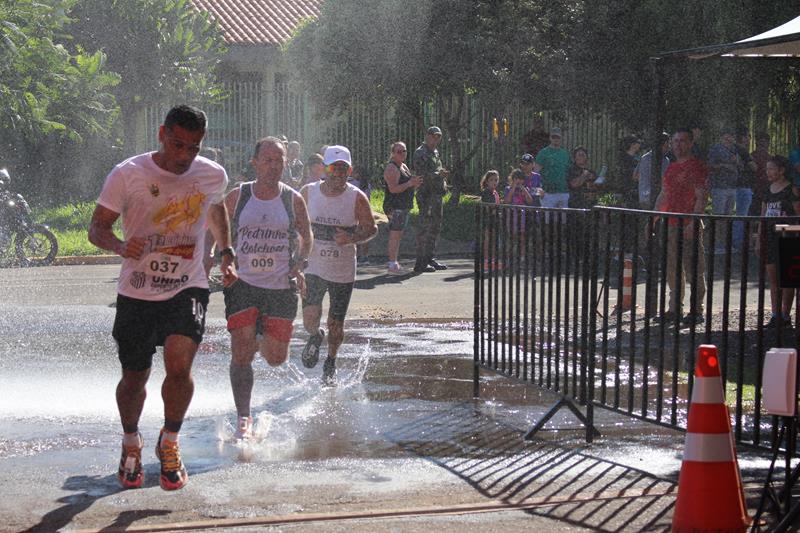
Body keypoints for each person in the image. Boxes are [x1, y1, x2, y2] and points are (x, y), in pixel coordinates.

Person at [88, 104, 237, 491]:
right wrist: (123, 247)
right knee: (135, 376)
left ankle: (170, 441)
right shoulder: (128, 174)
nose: (184, 156)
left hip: (187, 284)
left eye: (194, 147)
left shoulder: (211, 175)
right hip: (136, 290)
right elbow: (97, 230)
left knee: (179, 365)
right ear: (161, 134)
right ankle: (131, 442)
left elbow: (215, 209)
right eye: (177, 145)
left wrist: (226, 252)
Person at [223, 137, 312, 439]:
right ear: (255, 163)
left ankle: (259, 333)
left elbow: (306, 235)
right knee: (242, 353)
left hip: (280, 285)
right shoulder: (239, 197)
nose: (274, 165)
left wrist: (300, 263)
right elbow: (217, 227)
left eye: (280, 160)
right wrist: (217, 258)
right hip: (242, 283)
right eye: (268, 160)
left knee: (276, 359)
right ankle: (243, 418)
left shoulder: (292, 199)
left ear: (286, 163)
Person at [300, 145, 377, 385]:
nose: (338, 174)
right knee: (309, 318)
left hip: (342, 270)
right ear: (325, 169)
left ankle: (331, 360)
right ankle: (315, 336)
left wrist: (352, 238)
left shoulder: (356, 197)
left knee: (336, 323)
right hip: (312, 266)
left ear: (349, 171)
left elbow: (371, 228)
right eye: (334, 168)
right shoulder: (308, 192)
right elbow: (295, 224)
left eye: (343, 169)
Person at [653, 128, 709, 326]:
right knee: (672, 268)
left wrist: (694, 221)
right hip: (671, 223)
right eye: (675, 141)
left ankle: (697, 309)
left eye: (682, 141)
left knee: (694, 268)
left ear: (690, 143)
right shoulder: (671, 167)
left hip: (688, 222)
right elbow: (664, 194)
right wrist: (653, 217)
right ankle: (674, 308)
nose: (678, 145)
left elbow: (701, 197)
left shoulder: (696, 166)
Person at [758, 155, 799, 329]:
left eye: (772, 168)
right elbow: (762, 215)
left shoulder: (792, 190)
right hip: (770, 236)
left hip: (788, 236)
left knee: (788, 278)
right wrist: (759, 237)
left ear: (781, 170)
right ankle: (775, 314)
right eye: (767, 169)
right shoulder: (767, 190)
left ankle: (785, 314)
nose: (768, 172)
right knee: (773, 278)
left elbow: (798, 215)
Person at [413, 126, 450, 273]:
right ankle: (420, 262)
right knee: (425, 228)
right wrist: (438, 174)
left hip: (436, 195)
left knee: (435, 227)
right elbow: (421, 173)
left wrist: (443, 181)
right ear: (427, 136)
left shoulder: (435, 152)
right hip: (426, 194)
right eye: (434, 136)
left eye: (439, 137)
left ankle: (430, 257)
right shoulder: (420, 152)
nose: (437, 139)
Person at [383, 141, 422, 275]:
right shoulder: (391, 168)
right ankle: (392, 264)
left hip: (404, 205)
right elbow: (393, 189)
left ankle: (394, 262)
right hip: (395, 206)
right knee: (395, 234)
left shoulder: (404, 166)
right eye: (399, 151)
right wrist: (410, 183)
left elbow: (408, 185)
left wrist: (415, 183)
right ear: (393, 154)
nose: (402, 154)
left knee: (398, 234)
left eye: (404, 151)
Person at [733, 127, 758, 251]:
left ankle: (737, 241)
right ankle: (737, 242)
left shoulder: (732, 149)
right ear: (742, 137)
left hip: (737, 186)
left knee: (739, 214)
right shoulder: (742, 150)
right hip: (742, 186)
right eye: (748, 136)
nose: (749, 139)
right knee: (741, 215)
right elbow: (754, 167)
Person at [534, 127, 571, 208]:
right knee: (548, 218)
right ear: (550, 138)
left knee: (563, 219)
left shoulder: (565, 154)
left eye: (558, 137)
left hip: (563, 192)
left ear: (561, 138)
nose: (556, 139)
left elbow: (569, 172)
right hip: (548, 193)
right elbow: (536, 172)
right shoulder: (543, 153)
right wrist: (538, 189)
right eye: (553, 137)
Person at [634, 133, 670, 210]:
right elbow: (665, 180)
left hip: (643, 197)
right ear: (664, 144)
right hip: (657, 198)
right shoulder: (664, 160)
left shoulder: (644, 157)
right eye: (668, 144)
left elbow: (635, 176)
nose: (669, 147)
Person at [349, 165, 373, 266]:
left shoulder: (353, 183)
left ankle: (357, 255)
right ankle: (365, 256)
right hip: (365, 210)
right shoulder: (367, 185)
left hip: (355, 210)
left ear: (357, 174)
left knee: (356, 232)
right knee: (364, 233)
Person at [610, 134, 641, 209]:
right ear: (632, 144)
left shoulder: (635, 159)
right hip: (625, 192)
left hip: (630, 192)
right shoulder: (624, 159)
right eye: (638, 143)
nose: (639, 145)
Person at [479, 170, 501, 273]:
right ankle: (485, 262)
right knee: (487, 241)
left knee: (493, 241)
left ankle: (492, 261)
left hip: (495, 220)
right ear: (487, 181)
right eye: (491, 180)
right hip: (487, 220)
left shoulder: (495, 193)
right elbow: (488, 207)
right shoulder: (486, 192)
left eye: (496, 180)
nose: (494, 182)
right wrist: (493, 210)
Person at [751, 132, 772, 214]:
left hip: (767, 190)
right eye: (761, 142)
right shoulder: (751, 157)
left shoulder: (771, 158)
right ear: (757, 143)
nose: (762, 145)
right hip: (755, 190)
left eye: (765, 142)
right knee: (753, 215)